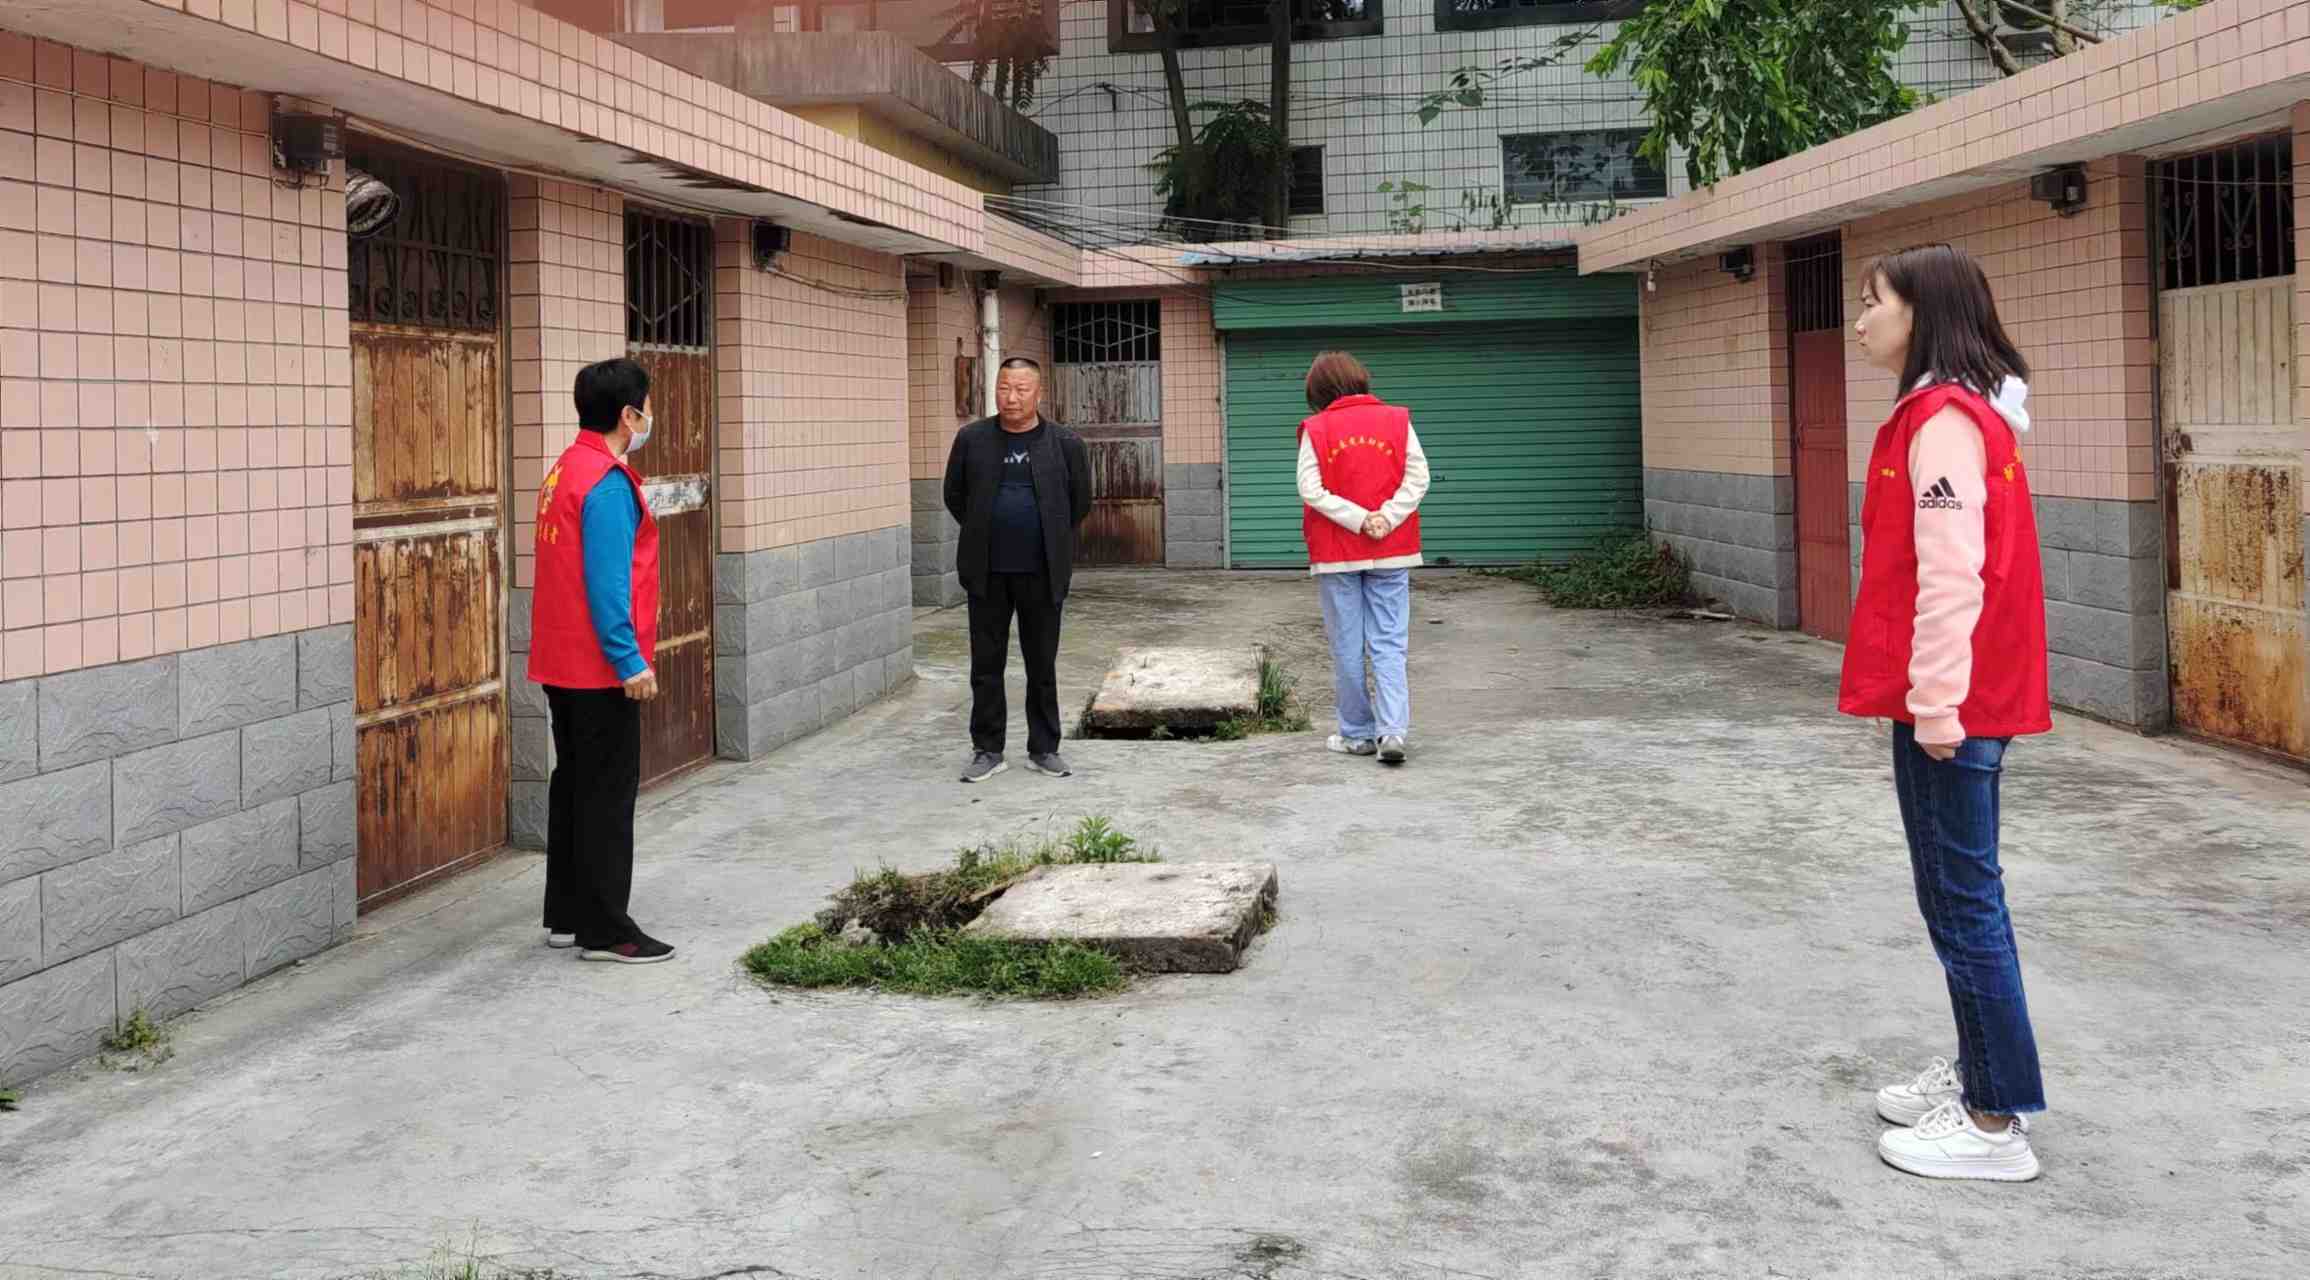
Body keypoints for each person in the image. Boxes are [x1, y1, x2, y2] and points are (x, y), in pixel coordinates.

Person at [1843, 244, 2053, 1180]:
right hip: (1962, 696)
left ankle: (1993, 1121)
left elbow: (1951, 572)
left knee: (1965, 900)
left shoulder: (1943, 423)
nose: (1860, 321)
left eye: (1873, 303)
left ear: (1921, 314)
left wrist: (1934, 705)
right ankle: (1981, 1075)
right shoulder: (1958, 411)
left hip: (1954, 705)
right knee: (1954, 894)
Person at [526, 357, 675, 965]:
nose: (650, 417)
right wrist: (629, 661)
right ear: (628, 414)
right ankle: (608, 930)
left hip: (561, 659)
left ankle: (567, 915)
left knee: (574, 786)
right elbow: (609, 582)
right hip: (598, 666)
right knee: (607, 796)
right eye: (647, 406)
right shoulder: (607, 483)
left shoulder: (566, 468)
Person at [942, 356, 1092, 784]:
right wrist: (983, 531)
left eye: (1021, 389)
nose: (1011, 397)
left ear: (1038, 393)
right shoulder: (972, 439)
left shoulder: (1065, 443)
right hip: (986, 573)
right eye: (1004, 388)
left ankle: (1044, 748)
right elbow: (955, 495)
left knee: (1041, 665)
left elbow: (1080, 502)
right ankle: (988, 750)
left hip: (1043, 573)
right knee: (985, 666)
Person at [1295, 351, 1430, 766]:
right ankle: (1392, 732)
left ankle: (1357, 735)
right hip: (1392, 547)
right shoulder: (1397, 420)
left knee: (1347, 644)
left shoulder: (1316, 428)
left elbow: (1310, 489)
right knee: (1390, 642)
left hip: (1336, 552)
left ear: (1319, 391)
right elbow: (1418, 476)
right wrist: (1385, 518)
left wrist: (1357, 519)